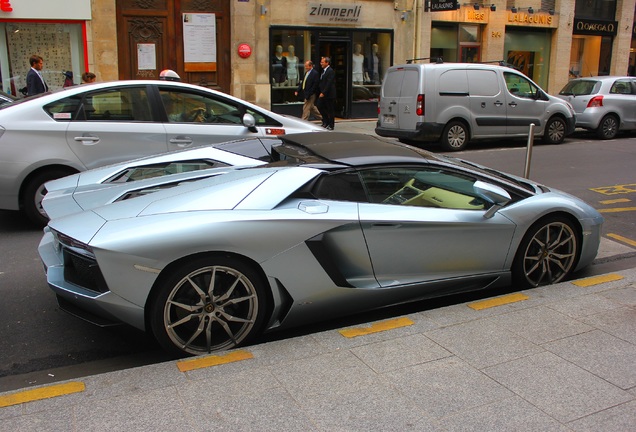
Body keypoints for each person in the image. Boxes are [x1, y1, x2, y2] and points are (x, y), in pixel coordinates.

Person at [317, 56, 336, 130]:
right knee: (320, 106)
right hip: (323, 93)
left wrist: (323, 92)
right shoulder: (323, 71)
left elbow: (329, 83)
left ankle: (331, 125)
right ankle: (325, 122)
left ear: (327, 63)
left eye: (322, 62)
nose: (321, 63)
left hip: (329, 95)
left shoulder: (330, 71)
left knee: (330, 110)